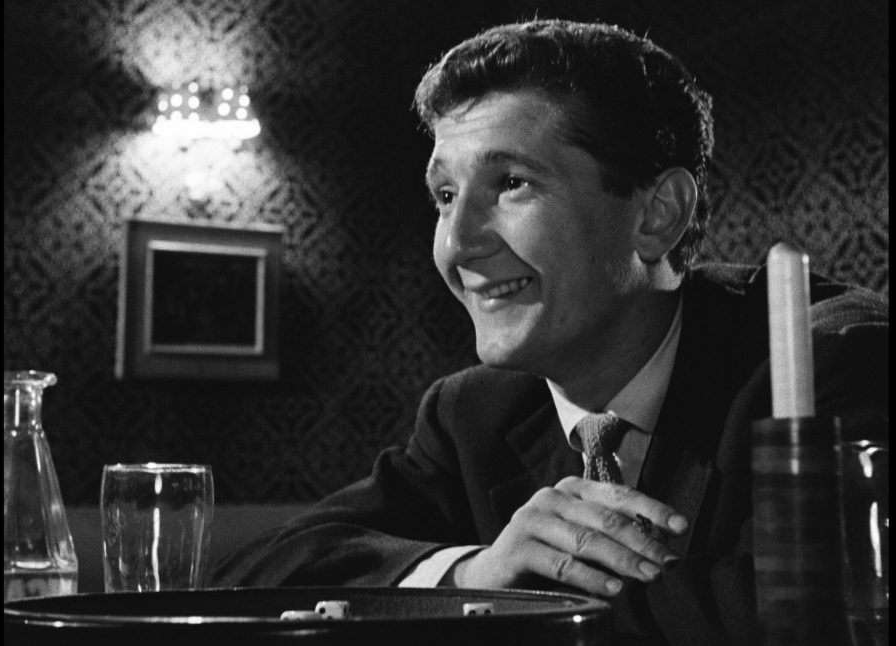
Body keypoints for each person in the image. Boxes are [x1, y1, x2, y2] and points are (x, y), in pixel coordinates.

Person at [211, 20, 889, 645]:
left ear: (657, 215)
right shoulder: (472, 413)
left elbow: (796, 618)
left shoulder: (832, 361)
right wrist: (474, 574)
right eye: (445, 197)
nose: (457, 243)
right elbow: (255, 573)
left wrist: (511, 601)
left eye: (511, 183)